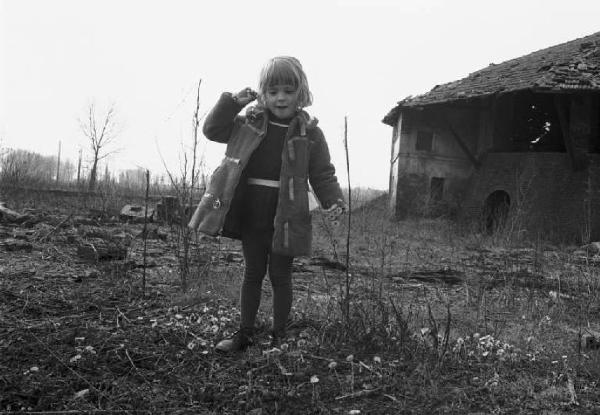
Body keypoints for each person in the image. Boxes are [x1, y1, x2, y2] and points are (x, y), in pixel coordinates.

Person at [188, 56, 346, 353]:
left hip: (287, 213)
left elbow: (323, 172)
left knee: (280, 276)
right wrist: (232, 102)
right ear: (263, 93)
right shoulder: (250, 121)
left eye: (288, 90)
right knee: (252, 272)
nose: (281, 97)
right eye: (273, 91)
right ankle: (244, 335)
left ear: (301, 92)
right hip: (251, 209)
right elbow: (213, 130)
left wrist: (333, 200)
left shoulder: (309, 131)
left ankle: (279, 337)